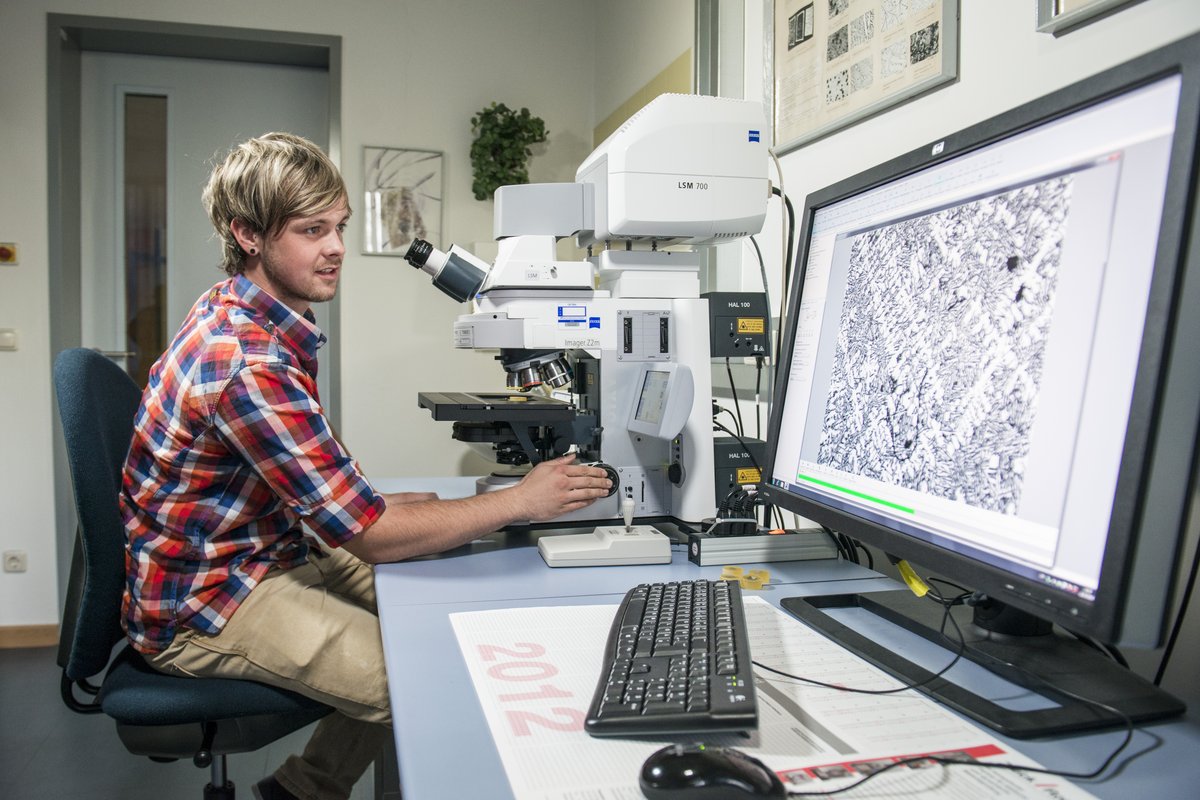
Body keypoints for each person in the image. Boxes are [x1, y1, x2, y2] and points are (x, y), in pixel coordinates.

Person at [118, 132, 612, 800]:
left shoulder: (243, 311)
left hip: (261, 549)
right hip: (207, 602)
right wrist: (518, 501)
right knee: (422, 674)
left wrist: (417, 510)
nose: (336, 248)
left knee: (437, 597)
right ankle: (310, 790)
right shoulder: (247, 362)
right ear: (248, 234)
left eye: (340, 227)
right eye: (312, 229)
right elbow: (370, 535)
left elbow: (329, 498)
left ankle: (301, 789)